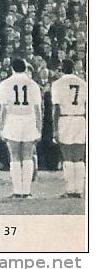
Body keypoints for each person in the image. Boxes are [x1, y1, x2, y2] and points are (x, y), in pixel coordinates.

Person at [0, 59, 43, 199]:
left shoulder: (5, 84)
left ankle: (18, 191)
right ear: (25, 69)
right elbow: (38, 109)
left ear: (12, 68)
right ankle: (26, 191)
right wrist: (39, 128)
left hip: (13, 119)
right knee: (27, 155)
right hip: (29, 118)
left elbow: (3, 109)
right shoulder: (33, 84)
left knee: (15, 156)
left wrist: (1, 127)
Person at [51, 59, 86, 198]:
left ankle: (70, 189)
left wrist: (55, 128)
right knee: (79, 156)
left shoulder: (57, 84)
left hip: (65, 118)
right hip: (80, 118)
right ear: (73, 69)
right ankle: (79, 190)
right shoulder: (83, 83)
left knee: (67, 155)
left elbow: (56, 108)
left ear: (61, 69)